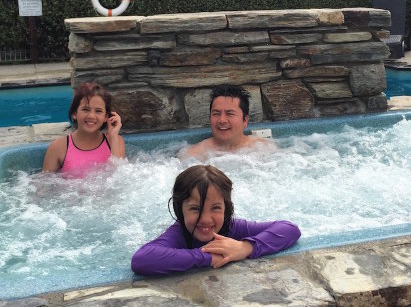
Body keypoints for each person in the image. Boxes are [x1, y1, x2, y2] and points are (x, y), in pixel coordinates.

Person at [131, 164, 300, 275]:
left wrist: (245, 247)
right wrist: (208, 257)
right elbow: (142, 259)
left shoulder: (231, 227)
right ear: (180, 209)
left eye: (216, 208)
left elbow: (289, 229)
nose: (205, 219)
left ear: (226, 208)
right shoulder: (179, 232)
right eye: (195, 209)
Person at [42, 82, 125, 173]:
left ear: (106, 117)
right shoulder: (58, 147)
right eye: (85, 109)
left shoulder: (115, 141)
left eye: (98, 111)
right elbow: (44, 183)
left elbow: (120, 178)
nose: (91, 116)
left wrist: (113, 136)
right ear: (74, 113)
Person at [180, 84, 274, 158]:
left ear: (245, 120)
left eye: (230, 114)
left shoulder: (265, 149)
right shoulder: (193, 155)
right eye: (216, 113)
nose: (222, 120)